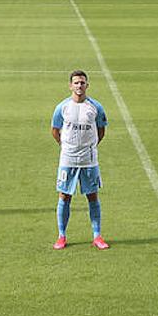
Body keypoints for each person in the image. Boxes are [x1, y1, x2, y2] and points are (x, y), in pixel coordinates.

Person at [51, 70, 109, 250]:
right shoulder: (62, 107)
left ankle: (97, 235)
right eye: (76, 83)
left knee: (92, 196)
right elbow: (55, 129)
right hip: (68, 159)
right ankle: (61, 236)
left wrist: (90, 146)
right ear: (70, 85)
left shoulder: (95, 107)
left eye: (82, 83)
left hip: (88, 160)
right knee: (64, 195)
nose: (79, 86)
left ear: (87, 85)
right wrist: (65, 146)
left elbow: (101, 130)